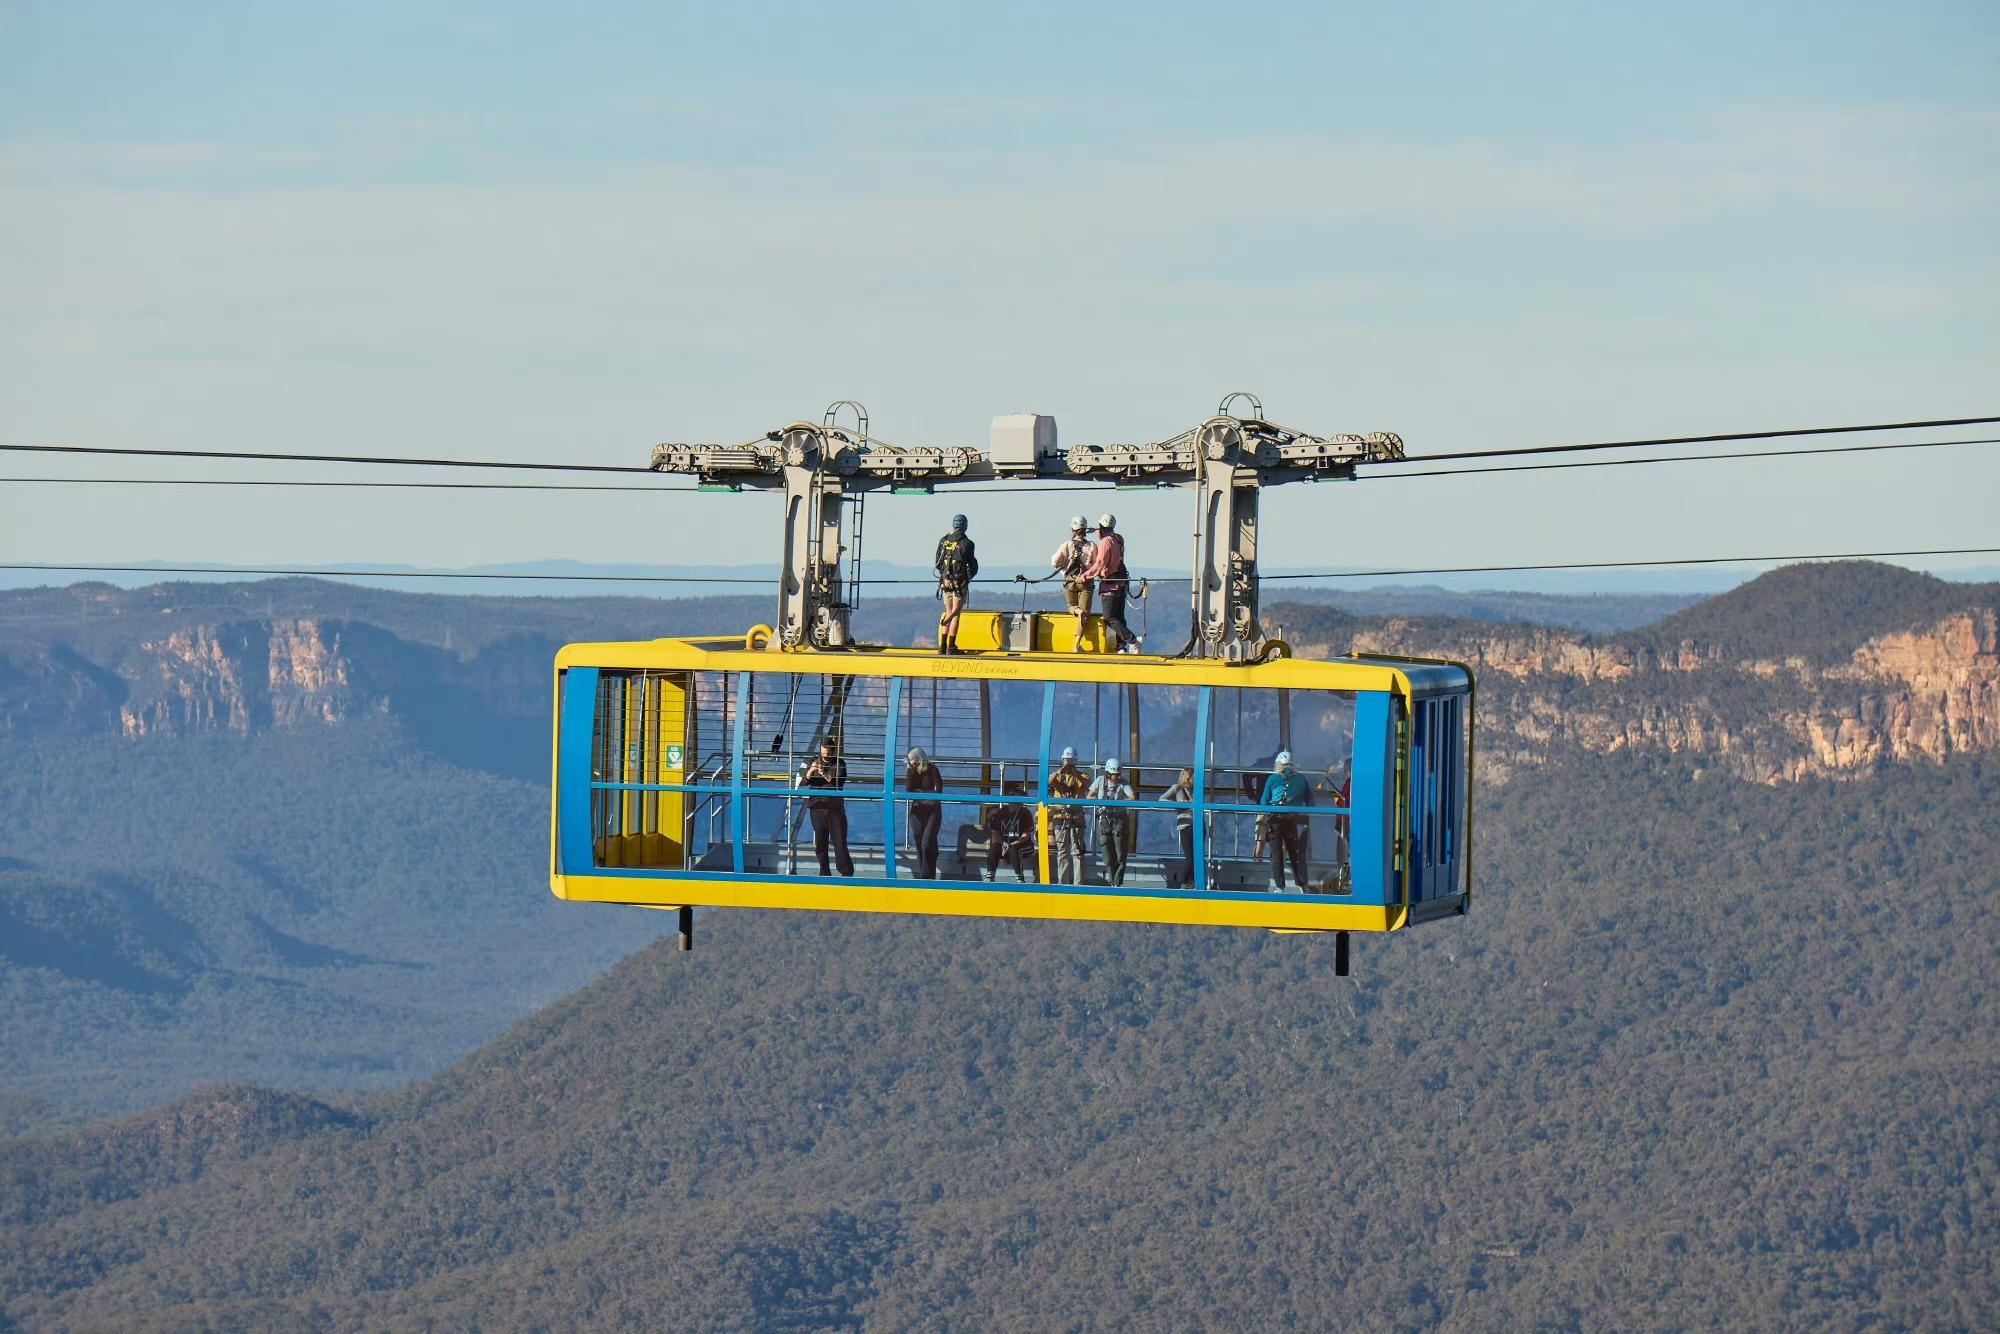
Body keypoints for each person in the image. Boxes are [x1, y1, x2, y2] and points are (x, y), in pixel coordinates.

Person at [1083, 513, 1140, 653]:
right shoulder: (1119, 538)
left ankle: (1132, 640)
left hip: (1110, 584)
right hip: (1121, 582)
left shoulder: (1105, 542)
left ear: (1101, 527)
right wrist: (1095, 530)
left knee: (1109, 617)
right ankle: (1121, 647)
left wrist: (1085, 576)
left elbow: (1100, 562)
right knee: (1119, 617)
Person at [799, 739, 854, 878]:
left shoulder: (839, 763)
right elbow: (803, 781)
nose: (826, 753)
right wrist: (812, 769)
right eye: (824, 750)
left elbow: (837, 782)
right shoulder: (812, 760)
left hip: (835, 809)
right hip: (817, 808)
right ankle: (824, 872)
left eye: (828, 750)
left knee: (839, 842)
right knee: (820, 843)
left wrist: (823, 772)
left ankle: (846, 873)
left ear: (832, 750)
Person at [1259, 751, 1312, 892]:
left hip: (1275, 820)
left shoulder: (1273, 779)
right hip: (1292, 820)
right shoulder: (1301, 779)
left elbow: (1264, 801)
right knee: (1294, 854)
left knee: (1276, 855)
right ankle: (1301, 884)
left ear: (1278, 764)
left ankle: (1279, 887)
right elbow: (1310, 802)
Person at [934, 514, 978, 655]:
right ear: (965, 526)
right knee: (955, 613)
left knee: (948, 612)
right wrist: (967, 578)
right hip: (959, 583)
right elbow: (973, 565)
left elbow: (937, 562)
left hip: (945, 581)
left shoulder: (943, 541)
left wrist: (945, 575)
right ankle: (951, 647)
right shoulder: (967, 543)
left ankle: (942, 646)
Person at [1049, 515, 1095, 651]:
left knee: (1071, 606)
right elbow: (1096, 563)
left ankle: (1077, 611)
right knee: (1085, 614)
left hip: (1069, 580)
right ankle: (1076, 645)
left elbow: (1054, 562)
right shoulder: (1092, 546)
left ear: (1072, 529)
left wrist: (1064, 564)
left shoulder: (1067, 544)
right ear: (1085, 530)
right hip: (1085, 581)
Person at [1088, 757, 1135, 887]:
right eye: (1115, 775)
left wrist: (1118, 803)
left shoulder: (1123, 783)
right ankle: (1111, 879)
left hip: (1119, 820)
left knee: (1120, 855)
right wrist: (1101, 803)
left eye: (1119, 775)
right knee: (1107, 856)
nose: (1117, 777)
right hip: (1104, 820)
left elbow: (1132, 797)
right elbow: (1089, 796)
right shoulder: (1100, 781)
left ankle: (1117, 882)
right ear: (1108, 774)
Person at [1047, 745, 1091, 884]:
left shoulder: (1081, 776)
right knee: (1062, 853)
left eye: (1071, 761)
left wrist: (1074, 773)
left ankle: (1078, 885)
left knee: (1077, 852)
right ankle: (1063, 883)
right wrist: (1062, 770)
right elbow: (1049, 781)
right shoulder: (1057, 776)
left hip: (1076, 817)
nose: (1069, 764)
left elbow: (1087, 783)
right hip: (1061, 817)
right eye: (1067, 760)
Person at [983, 780, 1036, 882]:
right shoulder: (1002, 812)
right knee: (994, 847)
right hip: (1005, 844)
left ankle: (1019, 878)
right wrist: (1003, 843)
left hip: (1024, 845)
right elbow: (995, 832)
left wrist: (1011, 844)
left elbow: (1025, 836)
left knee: (1014, 849)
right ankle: (990, 876)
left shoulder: (1025, 813)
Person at [905, 747, 945, 879]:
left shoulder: (933, 770)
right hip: (916, 811)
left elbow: (938, 791)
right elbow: (909, 790)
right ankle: (927, 875)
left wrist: (920, 794)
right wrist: (927, 795)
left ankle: (925, 878)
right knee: (919, 842)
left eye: (913, 760)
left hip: (933, 812)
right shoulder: (911, 771)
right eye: (910, 761)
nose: (911, 763)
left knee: (926, 843)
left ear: (919, 758)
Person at [1162, 767, 1196, 889]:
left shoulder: (1195, 790)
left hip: (1197, 825)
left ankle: (1192, 883)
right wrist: (1178, 805)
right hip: (1185, 826)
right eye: (1194, 777)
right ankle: (1183, 882)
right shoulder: (1177, 788)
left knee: (1196, 857)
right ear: (1188, 777)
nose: (1196, 780)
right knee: (1190, 858)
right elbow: (1162, 800)